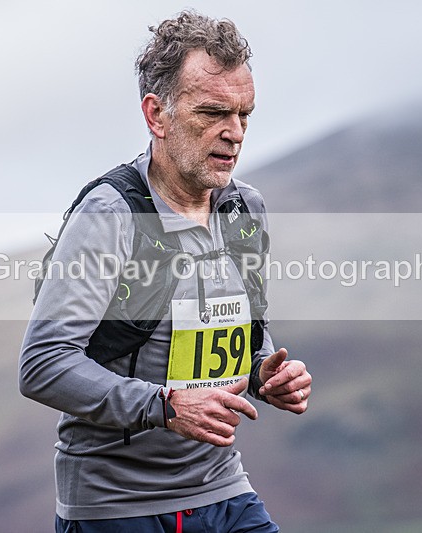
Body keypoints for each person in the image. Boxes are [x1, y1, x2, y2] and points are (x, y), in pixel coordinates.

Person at [20, 10, 312, 532]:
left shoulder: (244, 210)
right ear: (157, 115)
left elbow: (237, 337)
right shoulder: (110, 215)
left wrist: (264, 374)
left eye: (245, 114)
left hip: (225, 491)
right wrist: (165, 404)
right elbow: (43, 364)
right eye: (212, 113)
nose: (235, 133)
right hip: (116, 507)